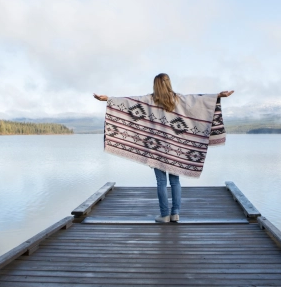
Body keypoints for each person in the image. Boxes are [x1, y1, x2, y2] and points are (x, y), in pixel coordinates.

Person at [94, 73, 233, 223]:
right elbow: (198, 101)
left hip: (157, 148)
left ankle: (164, 215)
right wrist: (218, 96)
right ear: (168, 83)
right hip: (175, 149)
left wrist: (109, 99)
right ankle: (175, 213)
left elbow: (129, 102)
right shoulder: (179, 100)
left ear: (156, 85)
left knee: (161, 182)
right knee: (175, 181)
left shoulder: (149, 100)